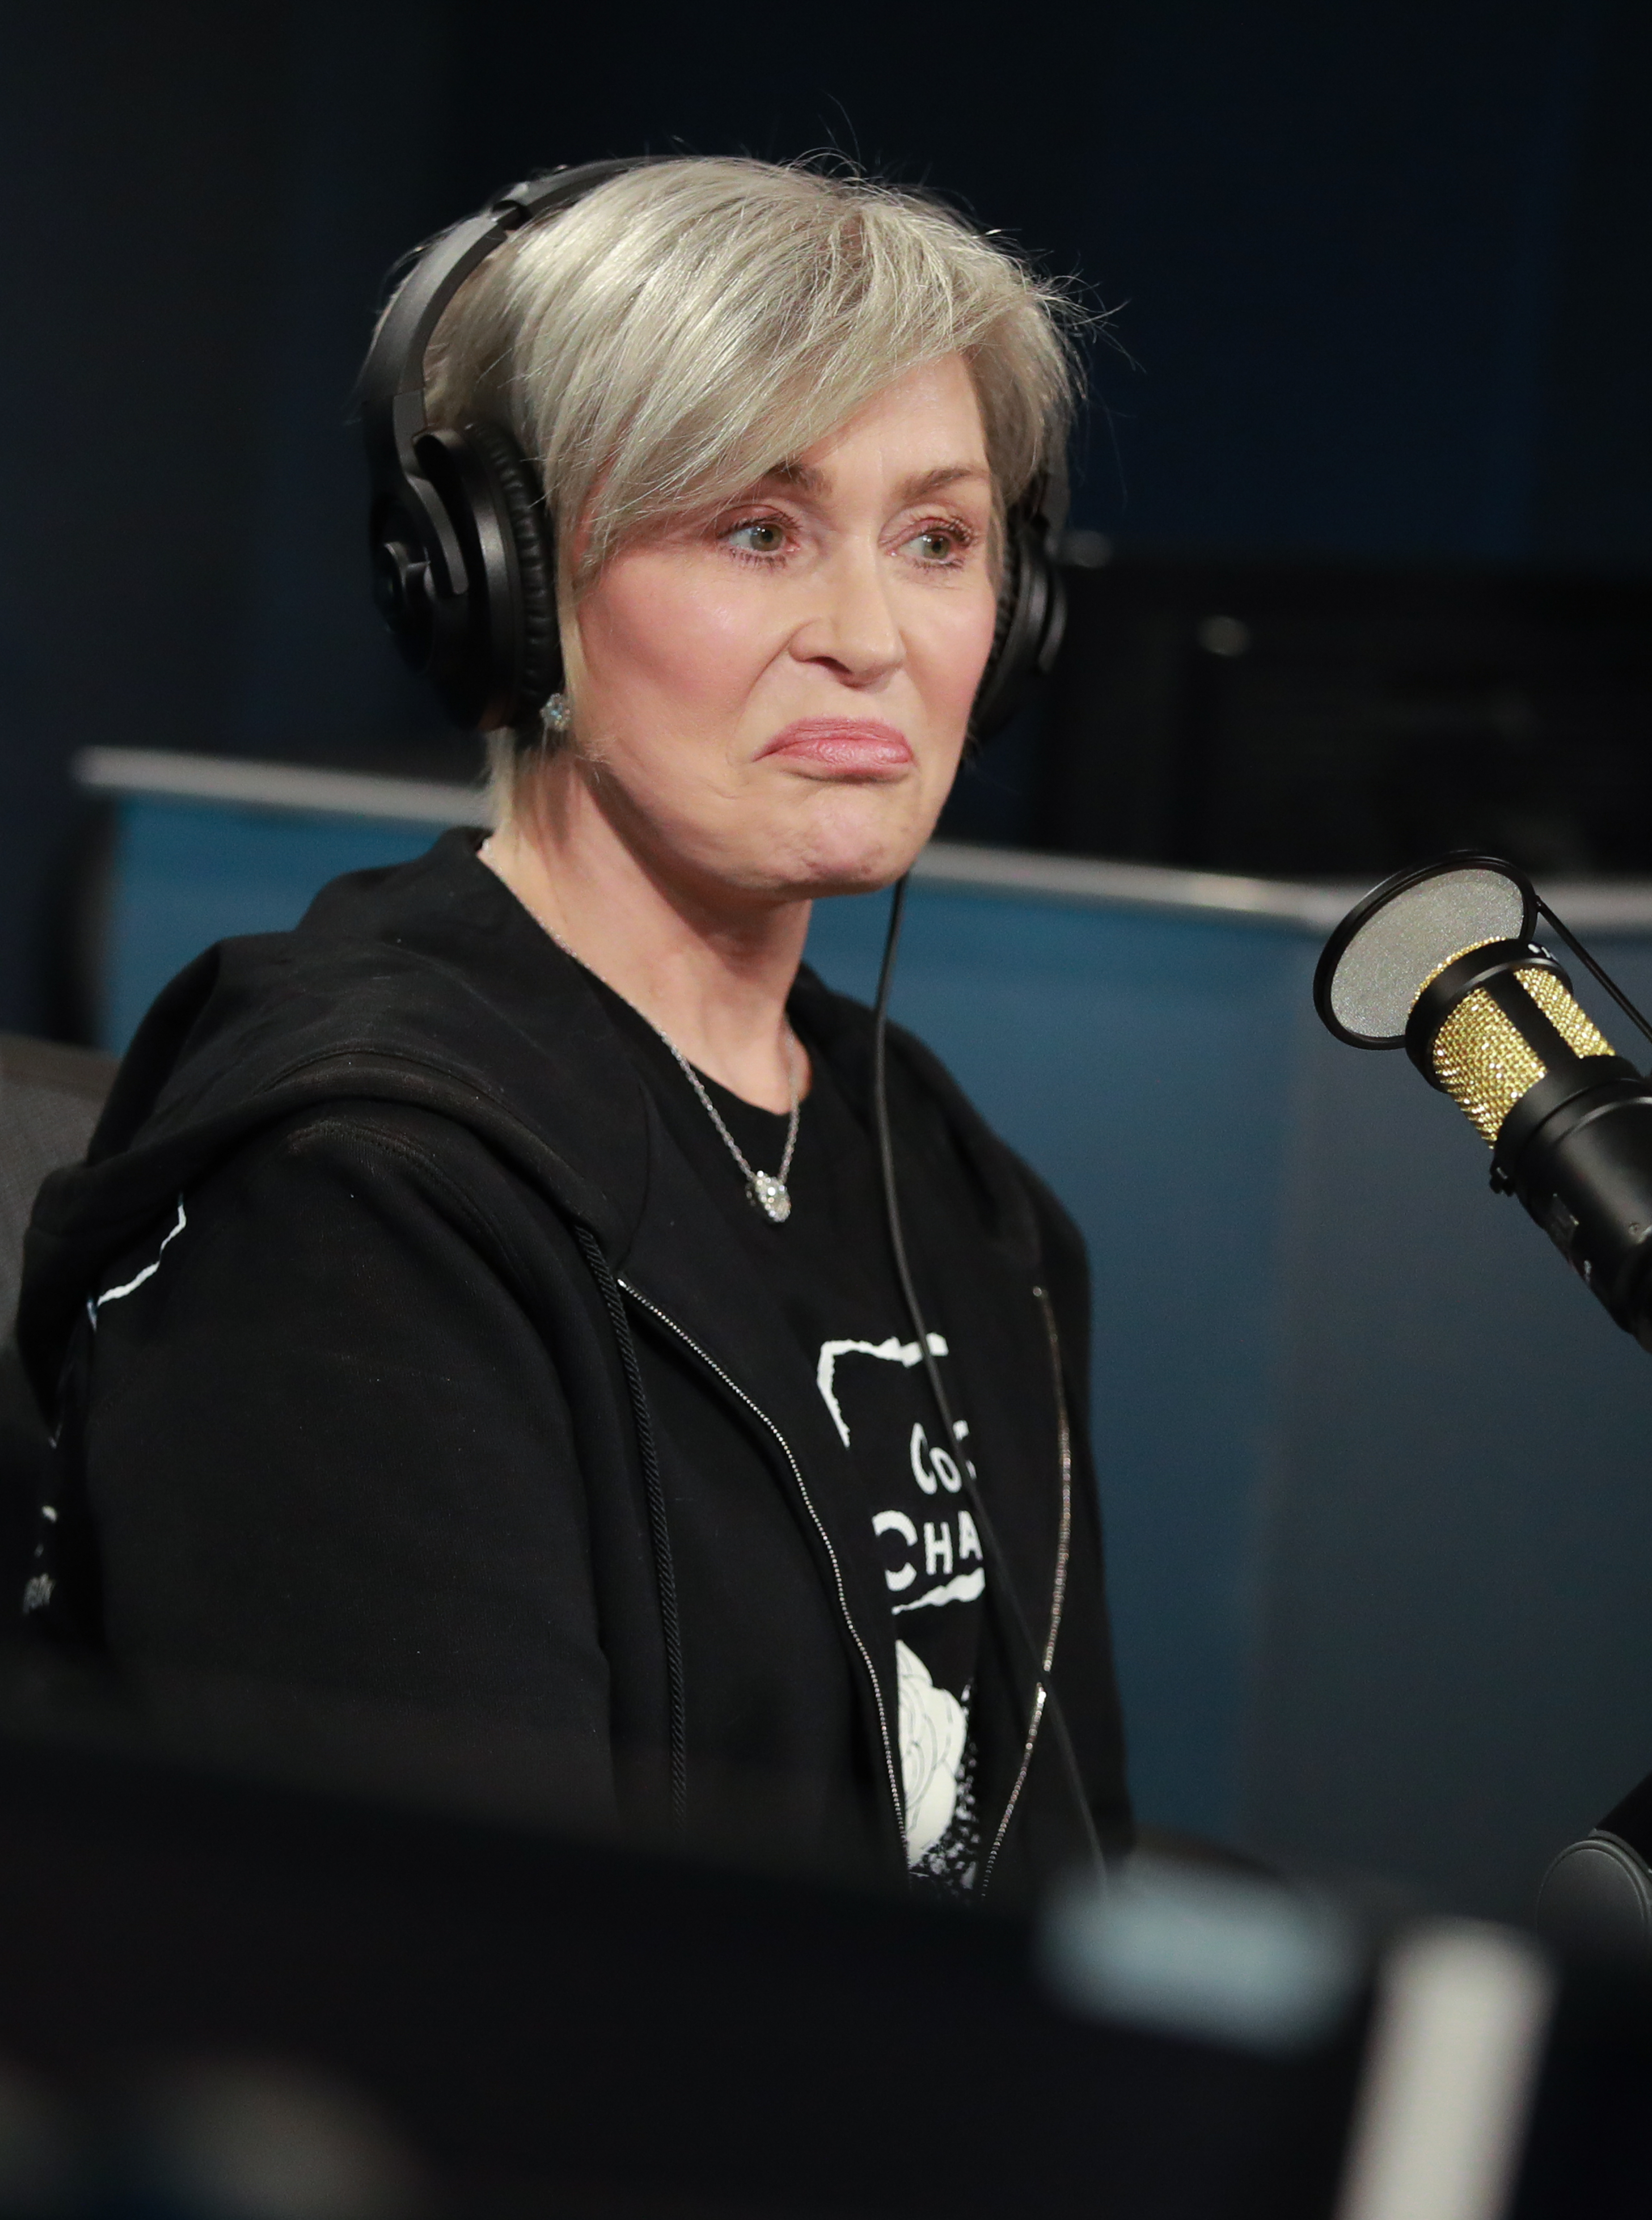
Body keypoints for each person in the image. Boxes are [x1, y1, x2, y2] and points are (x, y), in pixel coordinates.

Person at [16, 157, 1130, 1900]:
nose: (868, 639)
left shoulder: (957, 1190)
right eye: (755, 532)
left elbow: (1060, 1872)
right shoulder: (362, 1190)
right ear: (498, 581)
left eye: (937, 540)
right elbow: (460, 1993)